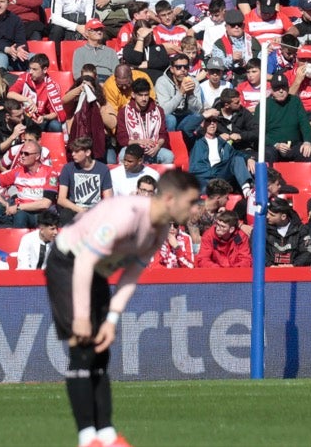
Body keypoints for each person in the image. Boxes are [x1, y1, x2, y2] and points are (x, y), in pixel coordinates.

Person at [45, 170, 201, 447]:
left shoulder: (160, 230)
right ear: (169, 198)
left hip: (96, 272)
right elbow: (84, 261)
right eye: (190, 202)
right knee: (82, 348)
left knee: (101, 352)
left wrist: (112, 320)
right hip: (69, 263)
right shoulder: (126, 216)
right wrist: (81, 316)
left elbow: (130, 276)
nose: (195, 209)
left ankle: (106, 435)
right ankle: (87, 438)